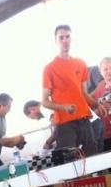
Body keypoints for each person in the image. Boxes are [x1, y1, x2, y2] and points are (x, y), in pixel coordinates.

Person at [41, 25, 97, 156]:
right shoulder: (49, 69)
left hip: (84, 120)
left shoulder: (81, 63)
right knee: (70, 161)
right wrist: (63, 107)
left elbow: (84, 94)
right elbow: (44, 101)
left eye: (67, 37)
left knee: (93, 158)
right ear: (55, 41)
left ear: (72, 39)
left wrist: (97, 105)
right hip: (64, 124)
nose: (65, 40)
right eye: (61, 38)